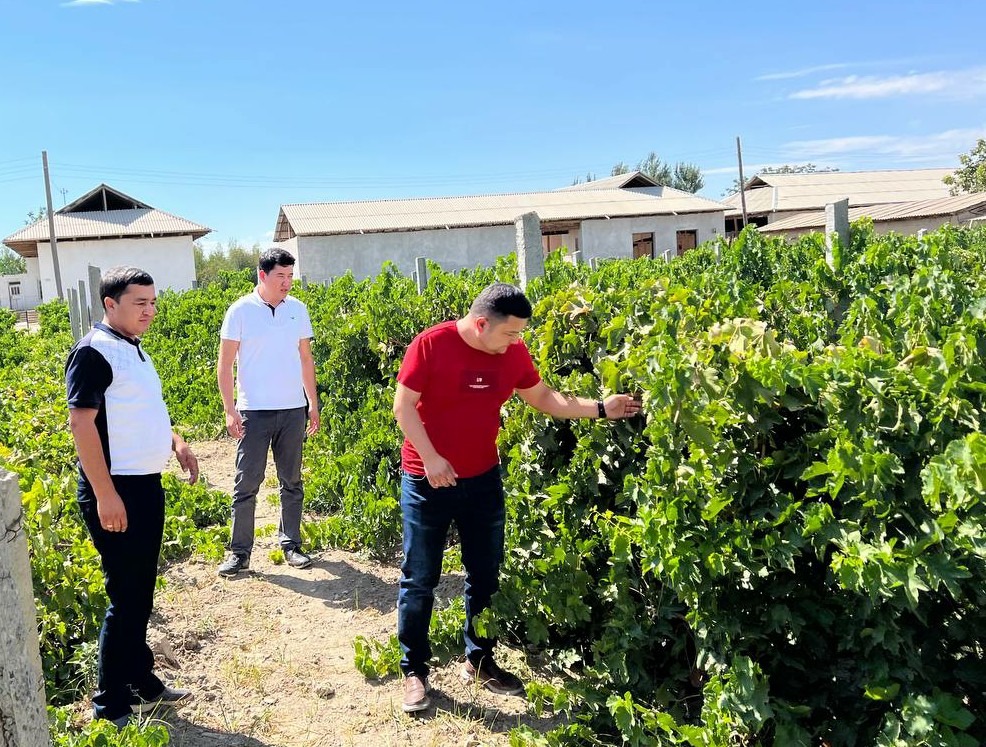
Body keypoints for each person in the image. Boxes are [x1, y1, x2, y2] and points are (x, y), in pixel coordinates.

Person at [392, 282, 641, 713]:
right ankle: (414, 670)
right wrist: (431, 458)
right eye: (511, 333)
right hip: (426, 481)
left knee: (484, 575)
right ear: (482, 323)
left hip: (483, 480)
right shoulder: (431, 345)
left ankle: (480, 658)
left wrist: (602, 408)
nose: (518, 341)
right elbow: (404, 407)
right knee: (420, 579)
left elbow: (544, 398)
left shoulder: (512, 353)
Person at [66, 266, 200, 728]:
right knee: (125, 595)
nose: (150, 310)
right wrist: (105, 495)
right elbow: (82, 424)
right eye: (139, 302)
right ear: (110, 304)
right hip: (116, 489)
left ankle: (143, 684)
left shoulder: (133, 349)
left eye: (153, 301)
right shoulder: (94, 351)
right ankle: (110, 705)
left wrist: (176, 442)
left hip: (143, 485)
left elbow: (144, 411)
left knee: (140, 590)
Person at [216, 247, 320, 576]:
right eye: (280, 277)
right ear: (262, 275)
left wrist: (312, 402)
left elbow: (306, 358)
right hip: (254, 412)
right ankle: (239, 553)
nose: (287, 283)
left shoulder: (298, 310)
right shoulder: (240, 311)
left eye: (290, 276)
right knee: (247, 482)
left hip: (292, 410)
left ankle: (291, 545)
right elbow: (225, 364)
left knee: (292, 480)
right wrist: (230, 410)